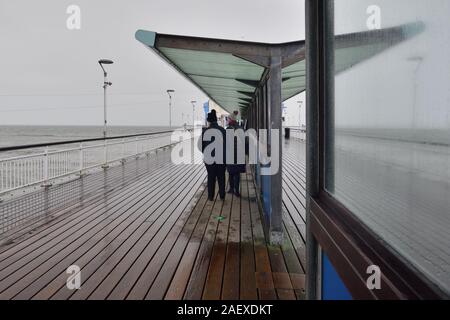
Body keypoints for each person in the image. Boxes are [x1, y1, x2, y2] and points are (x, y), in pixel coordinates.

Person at [200, 109, 227, 201]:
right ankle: (222, 196)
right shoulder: (223, 130)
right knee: (221, 177)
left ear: (209, 121)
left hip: (209, 159)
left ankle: (210, 197)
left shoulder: (205, 131)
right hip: (221, 158)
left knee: (211, 177)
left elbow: (201, 146)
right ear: (216, 120)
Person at [226, 116, 246, 197]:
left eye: (228, 119)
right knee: (237, 173)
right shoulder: (240, 129)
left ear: (231, 120)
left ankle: (231, 189)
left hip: (230, 154)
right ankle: (236, 191)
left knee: (230, 172)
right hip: (239, 154)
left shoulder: (228, 129)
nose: (227, 120)